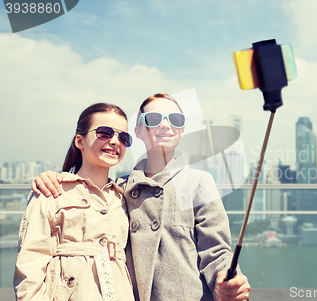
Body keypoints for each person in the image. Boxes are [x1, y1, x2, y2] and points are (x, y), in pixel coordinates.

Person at [32, 93, 251, 301]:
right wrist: (53, 179)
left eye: (175, 119)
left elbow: (215, 250)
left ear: (182, 130)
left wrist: (228, 280)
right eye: (154, 119)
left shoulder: (199, 182)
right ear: (138, 132)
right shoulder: (118, 190)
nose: (166, 125)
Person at [15, 103, 135, 301]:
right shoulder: (52, 191)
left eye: (123, 137)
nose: (115, 141)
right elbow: (31, 263)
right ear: (80, 140)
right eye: (104, 133)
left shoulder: (125, 197)